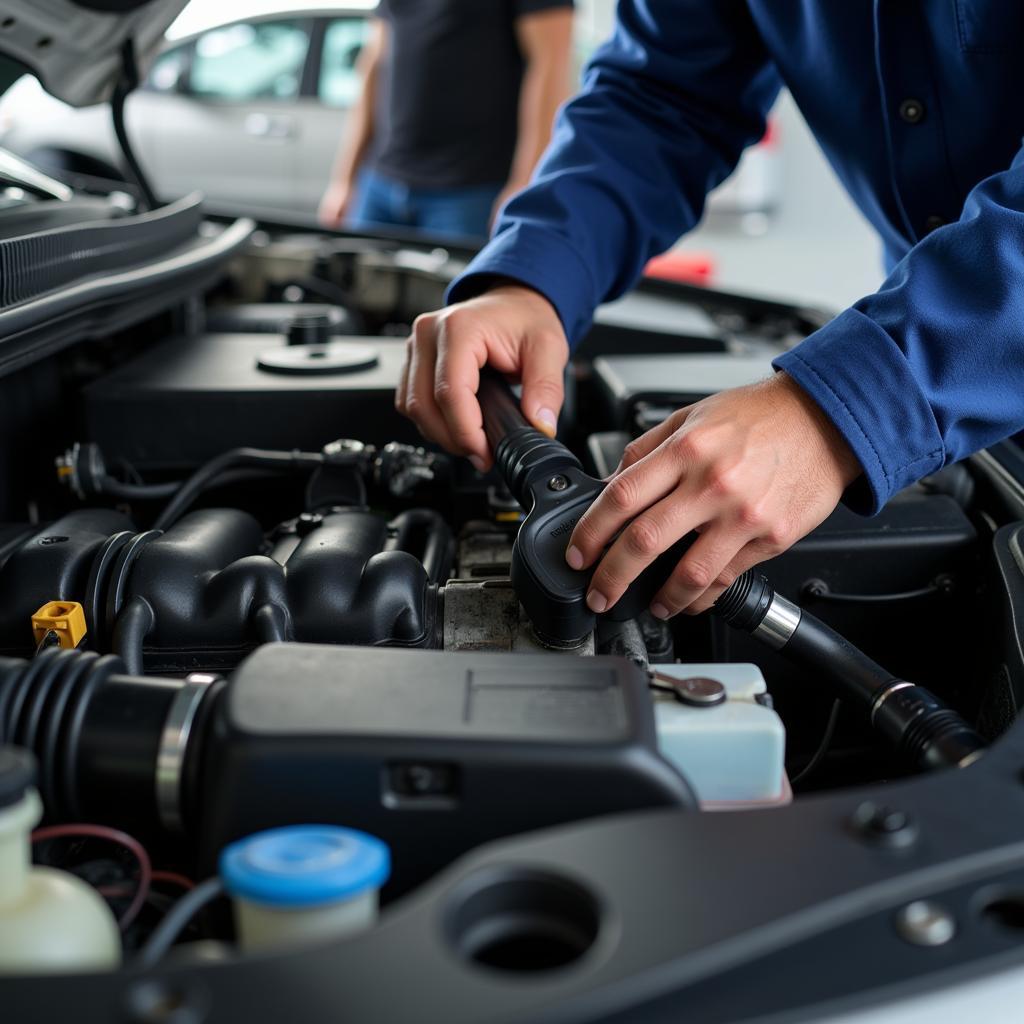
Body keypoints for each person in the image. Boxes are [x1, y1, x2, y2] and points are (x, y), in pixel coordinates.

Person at [397, 1, 1024, 622]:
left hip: (935, 379)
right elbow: (661, 97)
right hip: (942, 406)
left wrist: (844, 409)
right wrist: (531, 277)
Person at [317, 0, 575, 240]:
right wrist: (344, 179)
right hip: (380, 182)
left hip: (472, 190)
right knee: (359, 287)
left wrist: (524, 183)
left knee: (461, 289)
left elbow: (550, 64)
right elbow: (375, 60)